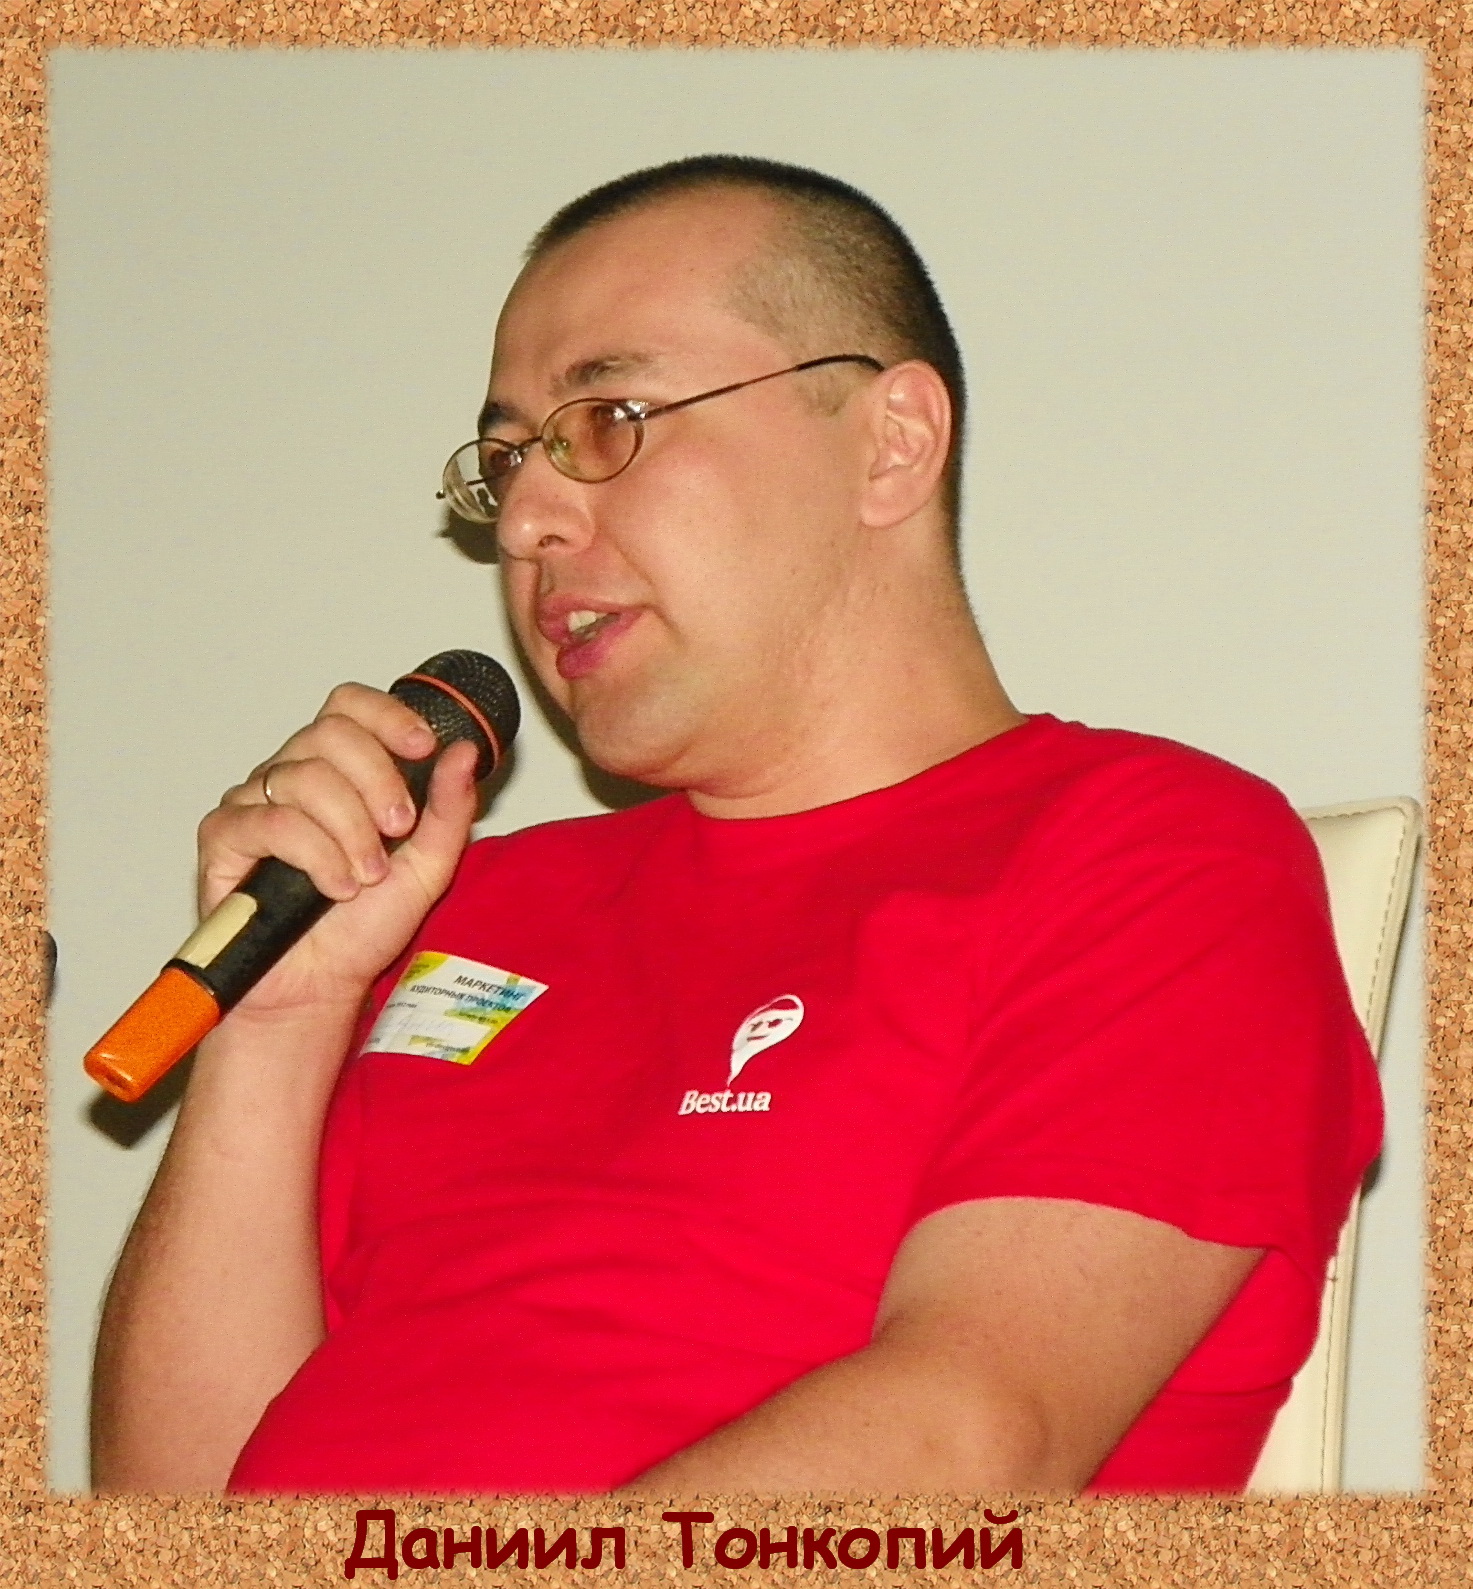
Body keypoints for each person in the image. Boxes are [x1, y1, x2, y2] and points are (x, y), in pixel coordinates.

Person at [90, 155, 1382, 1496]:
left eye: (609, 419)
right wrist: (277, 1027)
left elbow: (965, 1439)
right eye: (507, 460)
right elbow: (174, 1510)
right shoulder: (447, 909)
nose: (526, 519)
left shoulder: (1154, 855)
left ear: (891, 441)